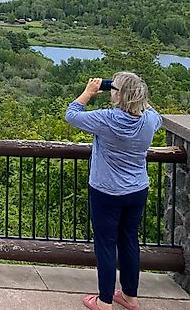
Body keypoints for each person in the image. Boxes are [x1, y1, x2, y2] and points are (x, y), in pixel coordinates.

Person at [65, 72, 162, 310]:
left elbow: (72, 115)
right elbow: (155, 115)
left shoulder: (106, 119)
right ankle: (130, 296)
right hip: (137, 189)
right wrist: (135, 95)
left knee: (106, 244)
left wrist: (88, 93)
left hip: (105, 190)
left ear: (119, 95)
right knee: (129, 240)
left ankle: (104, 301)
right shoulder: (149, 119)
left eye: (114, 89)